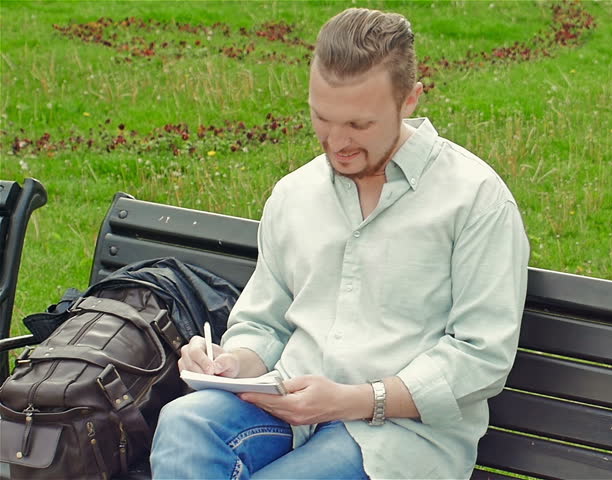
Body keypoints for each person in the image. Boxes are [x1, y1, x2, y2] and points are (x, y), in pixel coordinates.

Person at [150, 7, 529, 479]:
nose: (337, 142)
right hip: (289, 407)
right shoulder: (295, 194)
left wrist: (356, 400)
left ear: (410, 100)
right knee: (185, 424)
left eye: (359, 125)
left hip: (402, 438)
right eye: (322, 118)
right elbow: (266, 321)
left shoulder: (474, 199)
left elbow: (481, 355)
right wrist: (231, 363)